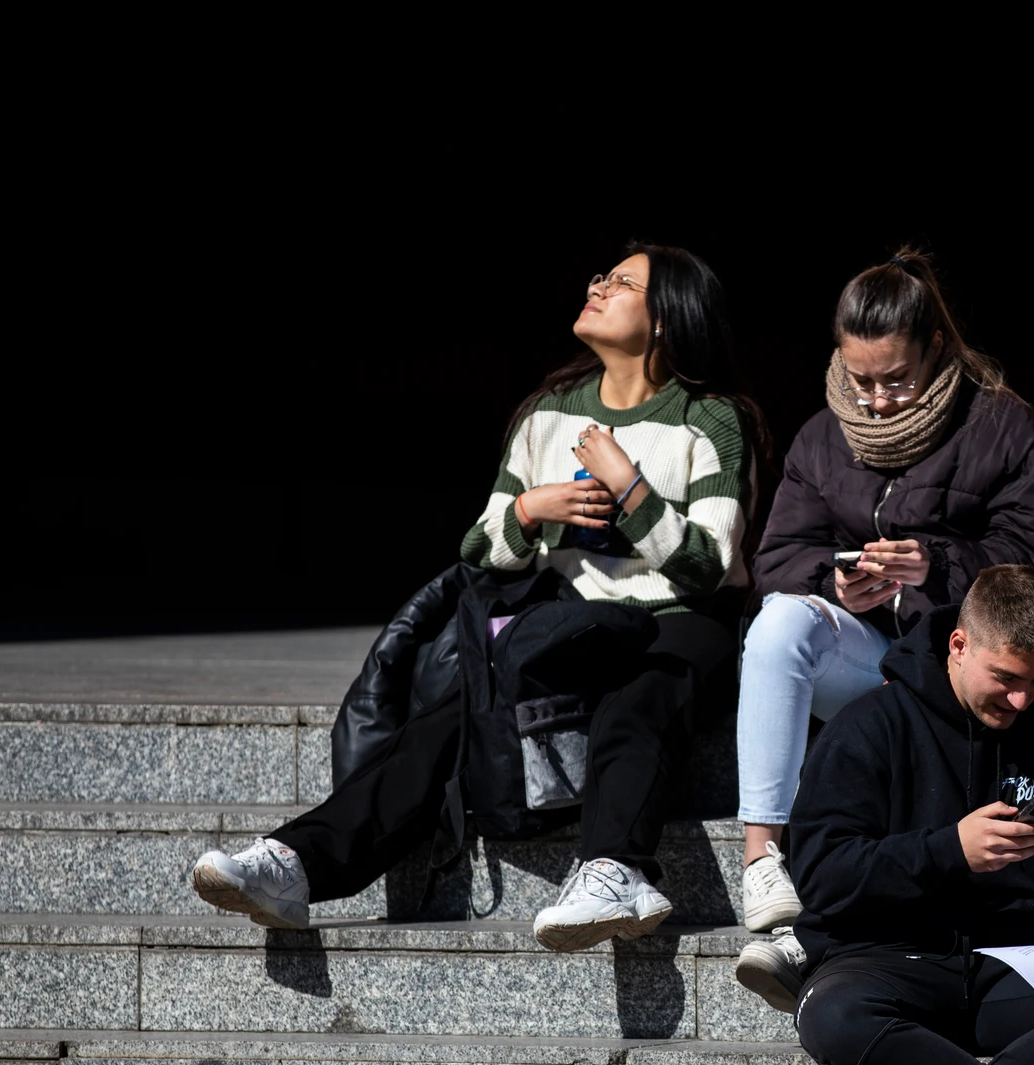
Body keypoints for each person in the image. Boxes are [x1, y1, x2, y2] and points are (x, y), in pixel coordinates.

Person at [188, 242, 762, 953]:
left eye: (621, 283)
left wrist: (630, 487)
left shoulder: (710, 419)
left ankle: (615, 868)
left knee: (638, 694)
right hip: (565, 624)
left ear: (668, 317)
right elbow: (480, 548)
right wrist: (531, 511)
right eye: (601, 277)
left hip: (675, 625)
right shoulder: (547, 413)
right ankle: (296, 864)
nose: (597, 286)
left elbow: (709, 564)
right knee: (441, 726)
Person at [733, 249, 1034, 990]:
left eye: (897, 379)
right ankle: (762, 852)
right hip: (866, 659)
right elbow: (775, 558)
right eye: (862, 379)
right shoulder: (822, 436)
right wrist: (834, 578)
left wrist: (937, 566)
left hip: (952, 667)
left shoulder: (1002, 425)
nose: (879, 399)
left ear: (937, 351)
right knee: (779, 623)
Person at [780, 564, 1034, 1065]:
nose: (1022, 699)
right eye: (1007, 678)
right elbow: (823, 877)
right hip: (885, 960)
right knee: (835, 1017)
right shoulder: (866, 727)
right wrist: (949, 850)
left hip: (1017, 963)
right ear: (958, 645)